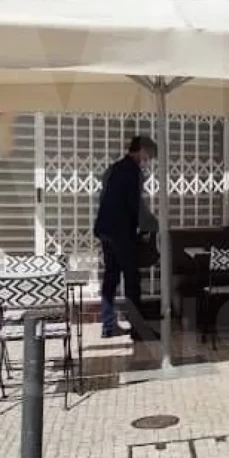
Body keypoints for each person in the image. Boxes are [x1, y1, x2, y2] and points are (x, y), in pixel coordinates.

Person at [94, 135, 158, 339]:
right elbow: (135, 203)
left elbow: (105, 197)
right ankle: (138, 329)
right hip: (121, 231)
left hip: (105, 228)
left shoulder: (114, 168)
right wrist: (150, 224)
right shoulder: (133, 170)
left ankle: (108, 326)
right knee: (132, 279)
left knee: (111, 278)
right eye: (148, 155)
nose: (148, 160)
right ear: (141, 150)